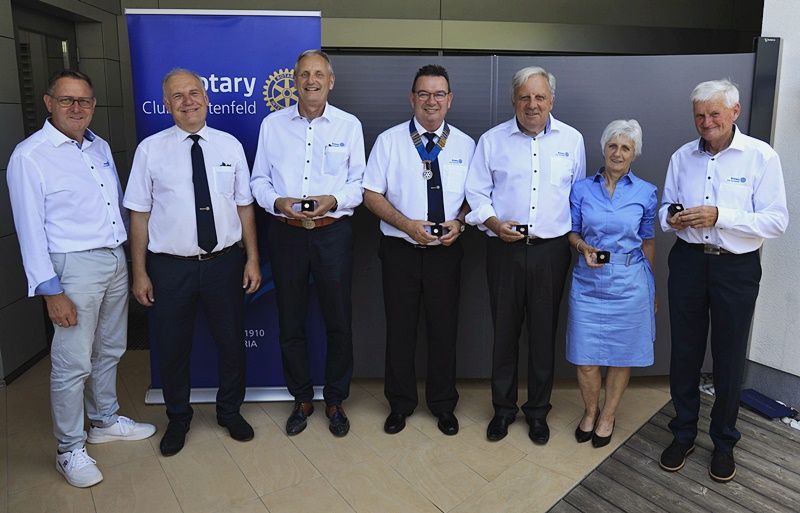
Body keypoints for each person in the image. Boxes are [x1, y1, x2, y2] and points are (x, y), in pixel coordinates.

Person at [6, 70, 155, 487]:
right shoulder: (30, 156)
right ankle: (69, 448)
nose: (77, 108)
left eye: (85, 101)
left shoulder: (98, 145)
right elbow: (29, 229)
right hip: (71, 268)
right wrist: (51, 290)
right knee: (72, 362)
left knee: (109, 348)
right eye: (68, 100)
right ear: (49, 103)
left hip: (112, 258)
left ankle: (104, 420)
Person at [124, 69, 262, 457]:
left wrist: (252, 258)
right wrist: (140, 272)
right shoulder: (150, 150)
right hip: (170, 267)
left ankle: (229, 411)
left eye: (194, 93)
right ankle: (178, 418)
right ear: (166, 105)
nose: (188, 101)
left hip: (224, 263)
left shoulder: (230, 146)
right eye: (178, 96)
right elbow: (138, 214)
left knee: (232, 344)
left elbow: (244, 205)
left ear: (207, 98)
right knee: (171, 348)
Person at [658, 79, 788, 482]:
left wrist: (720, 216)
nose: (706, 122)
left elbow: (776, 221)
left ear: (735, 112)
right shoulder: (682, 156)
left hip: (736, 267)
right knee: (684, 352)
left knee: (729, 356)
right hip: (688, 263)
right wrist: (672, 217)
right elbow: (664, 208)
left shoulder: (760, 157)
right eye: (699, 114)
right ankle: (682, 433)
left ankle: (724, 440)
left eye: (714, 113)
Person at [465, 66, 586, 444]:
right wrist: (493, 222)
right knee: (504, 334)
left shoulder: (573, 140)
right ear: (513, 100)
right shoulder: (492, 141)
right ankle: (502, 410)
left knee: (542, 335)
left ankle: (537, 412)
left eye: (539, 97)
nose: (532, 105)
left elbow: (577, 197)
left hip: (552, 252)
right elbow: (476, 193)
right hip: (504, 249)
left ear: (552, 100)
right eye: (524, 97)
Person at [250, 49, 366, 437]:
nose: (311, 80)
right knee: (291, 319)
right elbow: (258, 182)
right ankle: (301, 398)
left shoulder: (349, 125)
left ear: (330, 81)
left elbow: (357, 184)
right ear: (294, 81)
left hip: (333, 233)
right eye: (304, 74)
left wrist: (333, 200)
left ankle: (335, 399)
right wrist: (277, 203)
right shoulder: (272, 125)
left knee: (338, 321)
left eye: (319, 74)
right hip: (286, 234)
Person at [363, 64, 475, 436]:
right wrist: (407, 225)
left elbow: (476, 199)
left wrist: (459, 222)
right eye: (423, 94)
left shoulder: (466, 144)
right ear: (412, 98)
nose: (431, 101)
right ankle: (400, 404)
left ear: (450, 99)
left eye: (439, 94)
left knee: (444, 330)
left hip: (447, 251)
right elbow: (370, 194)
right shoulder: (389, 141)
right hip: (400, 250)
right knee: (400, 330)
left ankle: (443, 405)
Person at [566, 119, 656, 448]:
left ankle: (608, 415)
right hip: (588, 281)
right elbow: (572, 232)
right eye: (613, 146)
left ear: (635, 154)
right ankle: (590, 411)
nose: (618, 153)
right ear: (603, 149)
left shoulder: (646, 192)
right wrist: (581, 246)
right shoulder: (581, 189)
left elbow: (647, 242)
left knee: (620, 357)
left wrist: (652, 288)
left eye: (626, 148)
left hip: (630, 283)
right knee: (586, 358)